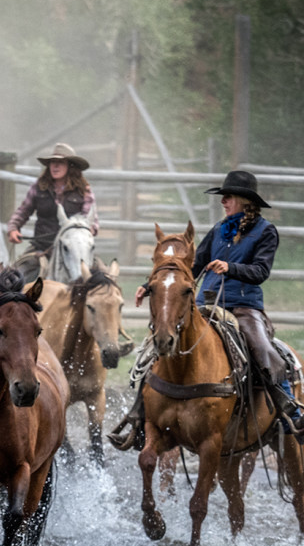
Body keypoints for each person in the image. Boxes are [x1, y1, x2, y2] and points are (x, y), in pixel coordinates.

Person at [109, 170, 304, 451]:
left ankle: (290, 414)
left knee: (263, 350)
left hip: (244, 307)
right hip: (205, 305)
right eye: (223, 196)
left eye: (228, 196)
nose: (223, 201)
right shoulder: (218, 229)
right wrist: (148, 285)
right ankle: (139, 416)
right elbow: (191, 268)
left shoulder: (265, 231)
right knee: (152, 350)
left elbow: (261, 271)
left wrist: (231, 268)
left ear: (245, 201)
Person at [7, 143, 99, 252]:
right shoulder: (38, 187)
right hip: (42, 247)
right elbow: (23, 210)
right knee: (20, 269)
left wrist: (82, 234)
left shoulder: (84, 191)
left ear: (70, 166)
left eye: (61, 162)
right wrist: (13, 229)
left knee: (99, 269)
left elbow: (91, 221)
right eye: (53, 162)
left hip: (74, 249)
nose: (55, 166)